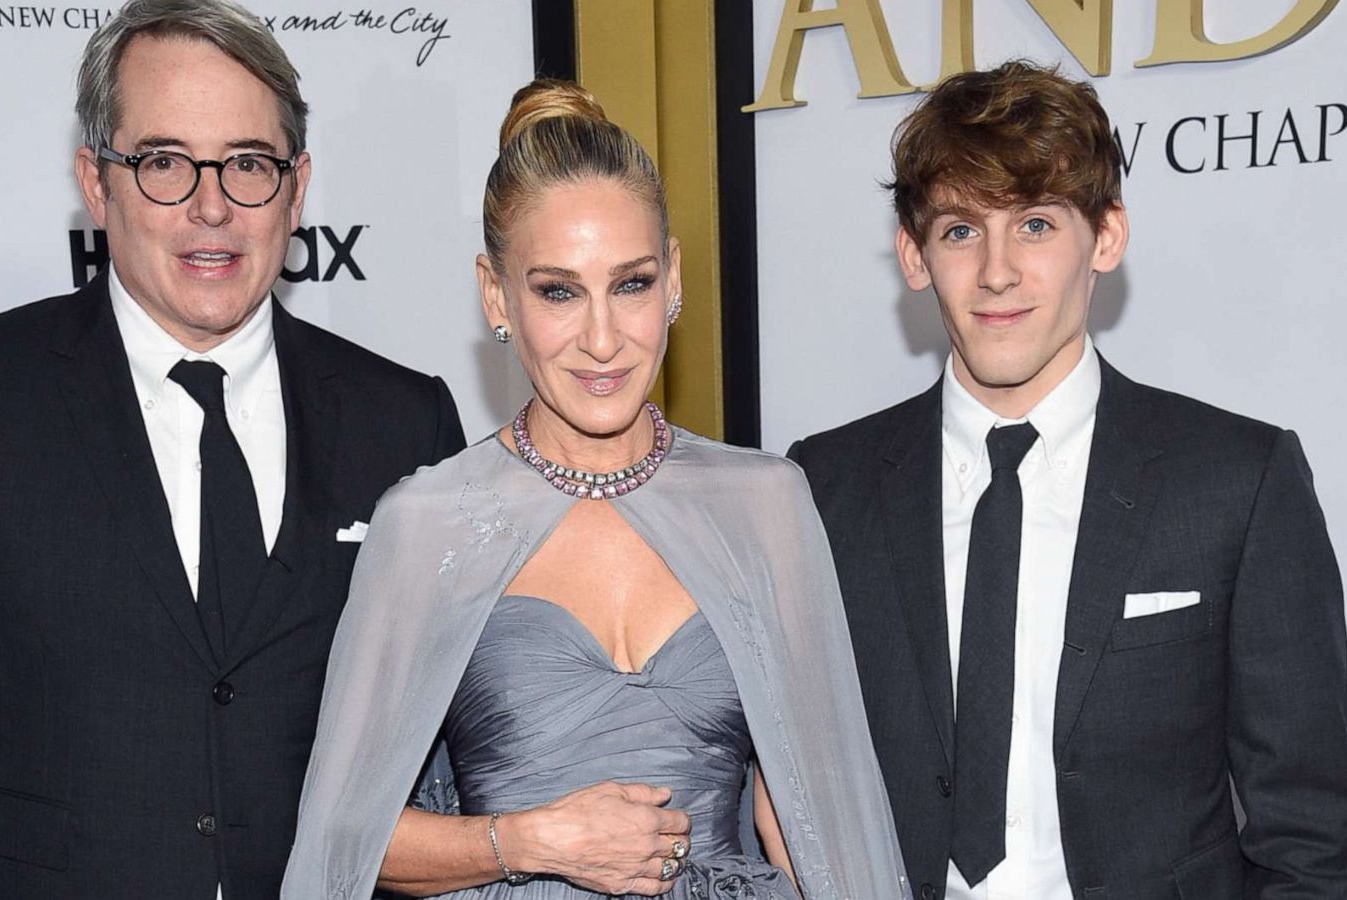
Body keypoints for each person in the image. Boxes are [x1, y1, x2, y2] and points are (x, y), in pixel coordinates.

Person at [0, 1, 465, 897]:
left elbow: (443, 761)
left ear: (297, 186)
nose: (211, 205)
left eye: (248, 165)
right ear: (97, 180)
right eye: (163, 162)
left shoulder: (407, 423)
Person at [278, 79, 909, 900]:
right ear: (496, 294)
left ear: (674, 278)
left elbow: (818, 830)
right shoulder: (426, 523)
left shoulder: (768, 504)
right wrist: (532, 841)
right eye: (559, 291)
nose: (603, 339)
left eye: (632, 283)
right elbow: (345, 842)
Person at [789, 61, 1347, 900]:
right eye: (959, 231)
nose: (996, 272)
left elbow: (1310, 840)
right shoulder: (824, 486)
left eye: (1034, 225)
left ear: (1107, 237)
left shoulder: (1238, 480)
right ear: (913, 256)